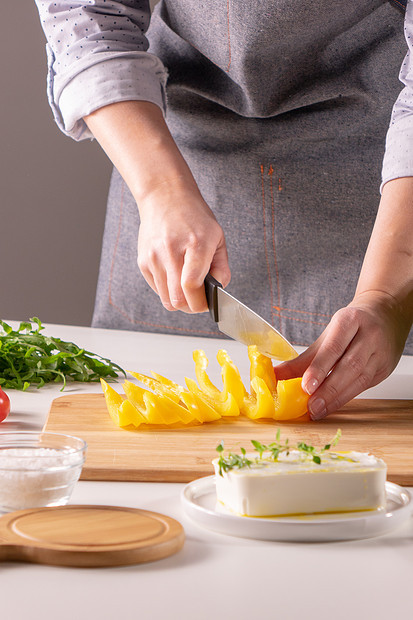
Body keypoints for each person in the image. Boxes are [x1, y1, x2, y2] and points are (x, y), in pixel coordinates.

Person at [35, 0, 413, 420]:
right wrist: (160, 189)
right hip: (168, 159)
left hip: (384, 198)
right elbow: (86, 17)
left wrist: (387, 298)